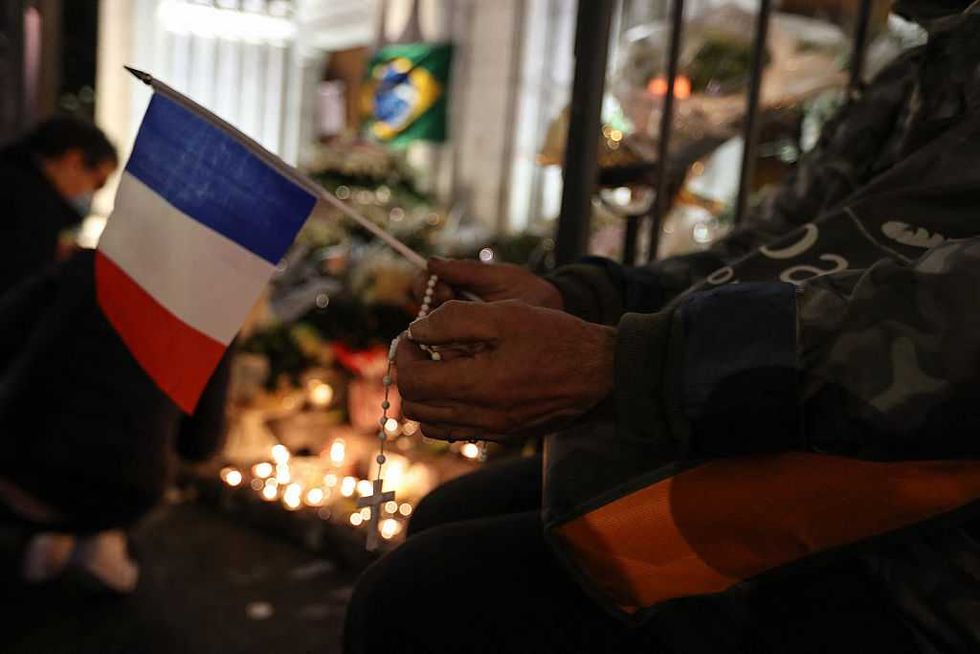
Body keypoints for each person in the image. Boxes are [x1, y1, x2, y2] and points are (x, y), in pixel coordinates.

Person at [345, 2, 980, 652]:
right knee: (451, 518)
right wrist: (585, 300)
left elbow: (951, 337)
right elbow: (780, 245)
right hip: (794, 451)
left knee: (424, 598)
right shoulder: (930, 65)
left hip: (927, 565)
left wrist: (632, 362)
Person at [0, 249, 231, 593]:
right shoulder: (214, 310)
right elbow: (200, 445)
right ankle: (93, 546)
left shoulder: (85, 266)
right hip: (122, 491)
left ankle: (54, 542)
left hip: (19, 469)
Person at [0, 115, 118, 294]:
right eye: (99, 183)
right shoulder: (35, 211)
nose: (95, 192)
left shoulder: (13, 175)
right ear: (74, 161)